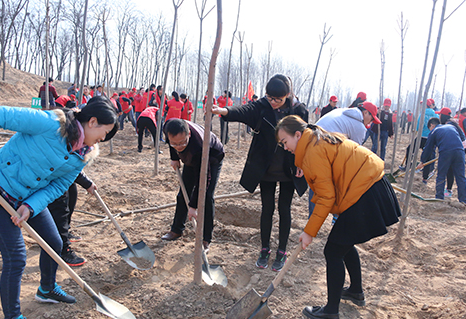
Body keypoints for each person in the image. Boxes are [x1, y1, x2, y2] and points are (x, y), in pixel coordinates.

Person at [0, 96, 118, 319]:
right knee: (16, 258)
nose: (102, 140)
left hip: (27, 197)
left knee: (54, 242)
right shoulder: (50, 123)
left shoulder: (83, 154)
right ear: (92, 122)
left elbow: (60, 184)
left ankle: (47, 289)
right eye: (103, 133)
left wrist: (31, 206)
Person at [275, 115, 401, 319]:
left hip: (365, 192)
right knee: (343, 242)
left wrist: (309, 231)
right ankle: (355, 292)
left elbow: (326, 197)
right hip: (367, 187)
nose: (284, 147)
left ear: (298, 135)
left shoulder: (313, 152)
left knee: (333, 250)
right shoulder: (316, 140)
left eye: (284, 142)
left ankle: (331, 311)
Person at [211, 74, 308, 272]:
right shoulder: (262, 106)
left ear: (287, 95)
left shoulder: (299, 110)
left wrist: (302, 162)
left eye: (277, 100)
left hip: (289, 167)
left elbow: (305, 138)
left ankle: (282, 251)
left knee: (284, 208)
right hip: (266, 167)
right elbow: (244, 111)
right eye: (270, 98)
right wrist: (224, 110)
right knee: (267, 208)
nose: (273, 103)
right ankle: (264, 249)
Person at [161, 119, 224, 253]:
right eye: (175, 144)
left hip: (212, 157)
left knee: (206, 197)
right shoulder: (168, 127)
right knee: (183, 193)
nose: (179, 146)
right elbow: (171, 143)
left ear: (188, 134)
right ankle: (176, 230)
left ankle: (206, 239)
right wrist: (174, 157)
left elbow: (203, 179)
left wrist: (193, 206)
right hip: (190, 158)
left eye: (182, 142)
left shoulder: (199, 146)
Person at [310, 102, 382, 217]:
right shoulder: (359, 126)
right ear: (365, 113)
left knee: (316, 183)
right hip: (324, 151)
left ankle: (313, 218)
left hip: (311, 145)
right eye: (372, 118)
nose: (371, 122)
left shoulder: (343, 112)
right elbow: (353, 154)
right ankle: (337, 218)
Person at [48, 172, 96, 266]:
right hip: (53, 170)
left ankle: (64, 232)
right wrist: (86, 183)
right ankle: (62, 249)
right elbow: (67, 163)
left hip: (62, 168)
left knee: (71, 190)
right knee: (59, 204)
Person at [417, 118, 466, 206]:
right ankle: (463, 200)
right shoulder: (452, 127)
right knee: (460, 176)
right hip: (460, 151)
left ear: (432, 125)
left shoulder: (434, 131)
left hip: (445, 152)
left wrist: (422, 161)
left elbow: (428, 148)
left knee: (441, 175)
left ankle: (439, 198)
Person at [436, 107, 466, 198]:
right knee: (456, 174)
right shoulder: (454, 125)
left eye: (440, 115)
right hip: (460, 150)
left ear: (443, 116)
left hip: (452, 150)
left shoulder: (448, 126)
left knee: (444, 173)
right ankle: (462, 198)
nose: (439, 116)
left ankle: (442, 195)